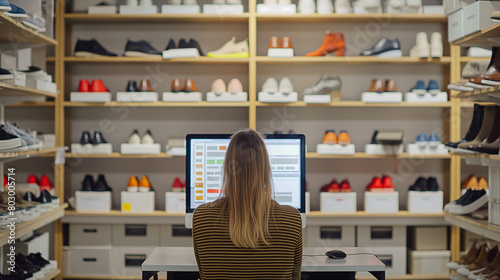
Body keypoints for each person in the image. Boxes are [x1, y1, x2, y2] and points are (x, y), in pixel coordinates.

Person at [193, 129, 303, 280]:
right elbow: (295, 276)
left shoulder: (201, 217)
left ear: (227, 169)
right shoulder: (292, 219)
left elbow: (204, 274)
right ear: (265, 170)